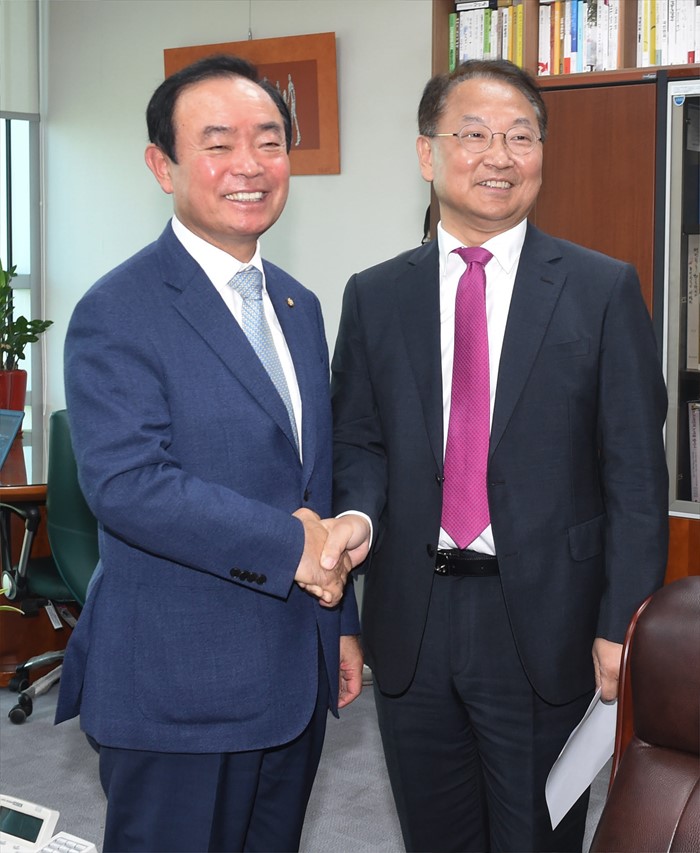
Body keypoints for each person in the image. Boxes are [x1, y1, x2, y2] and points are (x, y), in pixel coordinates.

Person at [326, 59, 668, 852]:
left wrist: (623, 622)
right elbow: (358, 445)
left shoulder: (601, 288)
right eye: (474, 134)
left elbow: (635, 475)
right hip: (413, 617)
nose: (500, 156)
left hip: (548, 622)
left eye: (521, 136)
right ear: (427, 153)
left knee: (536, 837)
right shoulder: (375, 295)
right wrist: (349, 559)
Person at [55, 54, 362, 853]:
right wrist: (296, 547)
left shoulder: (297, 304)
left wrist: (340, 623)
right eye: (219, 144)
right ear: (163, 166)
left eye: (269, 141)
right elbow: (130, 486)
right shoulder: (118, 309)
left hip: (293, 672)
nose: (249, 165)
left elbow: (313, 478)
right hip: (179, 689)